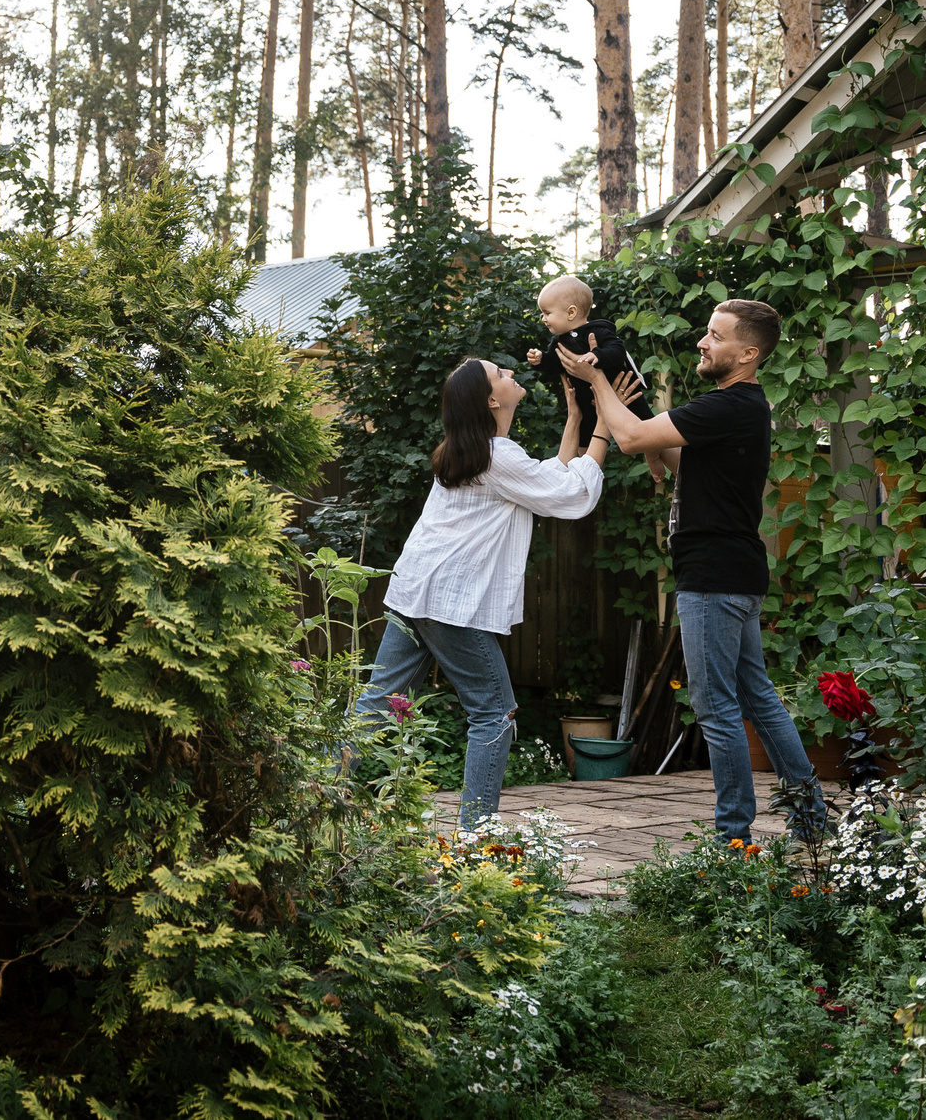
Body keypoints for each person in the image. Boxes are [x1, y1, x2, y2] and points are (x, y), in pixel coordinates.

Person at [565, 299, 828, 843]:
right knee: (756, 697)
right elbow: (675, 457)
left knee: (717, 708)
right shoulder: (738, 409)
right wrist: (654, 446)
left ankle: (734, 837)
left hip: (713, 577)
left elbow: (633, 435)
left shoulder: (731, 406)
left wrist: (597, 382)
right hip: (733, 573)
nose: (702, 343)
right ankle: (809, 821)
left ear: (748, 353)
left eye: (715, 335)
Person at [353, 355, 623, 828]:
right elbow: (571, 496)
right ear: (491, 399)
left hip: (414, 591)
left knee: (374, 708)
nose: (512, 373)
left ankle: (307, 796)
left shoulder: (475, 452)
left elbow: (550, 479)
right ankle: (475, 839)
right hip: (450, 604)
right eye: (502, 374)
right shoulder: (498, 458)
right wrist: (604, 427)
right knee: (495, 715)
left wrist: (577, 418)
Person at [524, 273, 653, 427]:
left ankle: (654, 450)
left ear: (571, 313)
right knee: (583, 433)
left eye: (547, 313)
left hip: (622, 391)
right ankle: (586, 452)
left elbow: (617, 350)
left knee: (645, 425)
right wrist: (541, 360)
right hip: (587, 401)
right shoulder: (558, 342)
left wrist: (597, 354)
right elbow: (555, 365)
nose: (543, 319)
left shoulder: (598, 331)